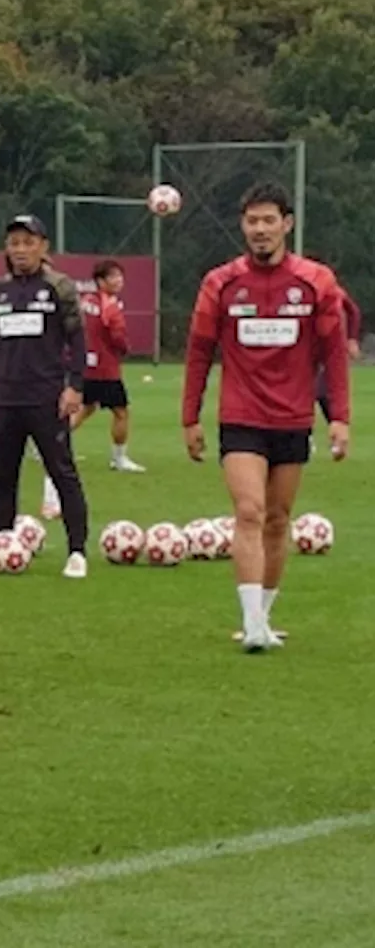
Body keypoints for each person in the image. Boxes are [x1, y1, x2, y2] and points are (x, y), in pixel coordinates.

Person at [182, 181, 350, 653]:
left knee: (278, 519)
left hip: (294, 419)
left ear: (287, 224)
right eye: (251, 221)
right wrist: (189, 417)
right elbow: (199, 352)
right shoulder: (221, 283)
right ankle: (252, 625)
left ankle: (265, 618)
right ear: (243, 226)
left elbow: (334, 354)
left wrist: (339, 416)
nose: (259, 229)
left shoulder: (317, 282)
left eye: (268, 220)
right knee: (249, 511)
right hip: (240, 416)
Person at [0, 215, 90, 578]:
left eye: (28, 242)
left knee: (61, 471)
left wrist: (75, 385)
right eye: (14, 243)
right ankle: (1, 546)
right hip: (4, 397)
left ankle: (77, 551)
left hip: (46, 397)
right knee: (3, 474)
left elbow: (78, 339)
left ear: (43, 246)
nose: (20, 250)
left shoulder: (59, 287)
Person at [40, 260, 144, 520]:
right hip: (106, 369)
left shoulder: (83, 301)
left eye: (121, 276)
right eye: (114, 277)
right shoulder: (109, 304)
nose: (119, 281)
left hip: (84, 368)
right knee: (121, 412)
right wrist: (124, 348)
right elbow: (116, 334)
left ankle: (55, 437)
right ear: (101, 281)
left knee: (84, 408)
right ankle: (119, 458)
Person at [316, 287, 361, 428]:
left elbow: (353, 311)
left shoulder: (329, 288)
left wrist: (351, 338)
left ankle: (336, 424)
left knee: (322, 388)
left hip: (329, 347)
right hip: (304, 349)